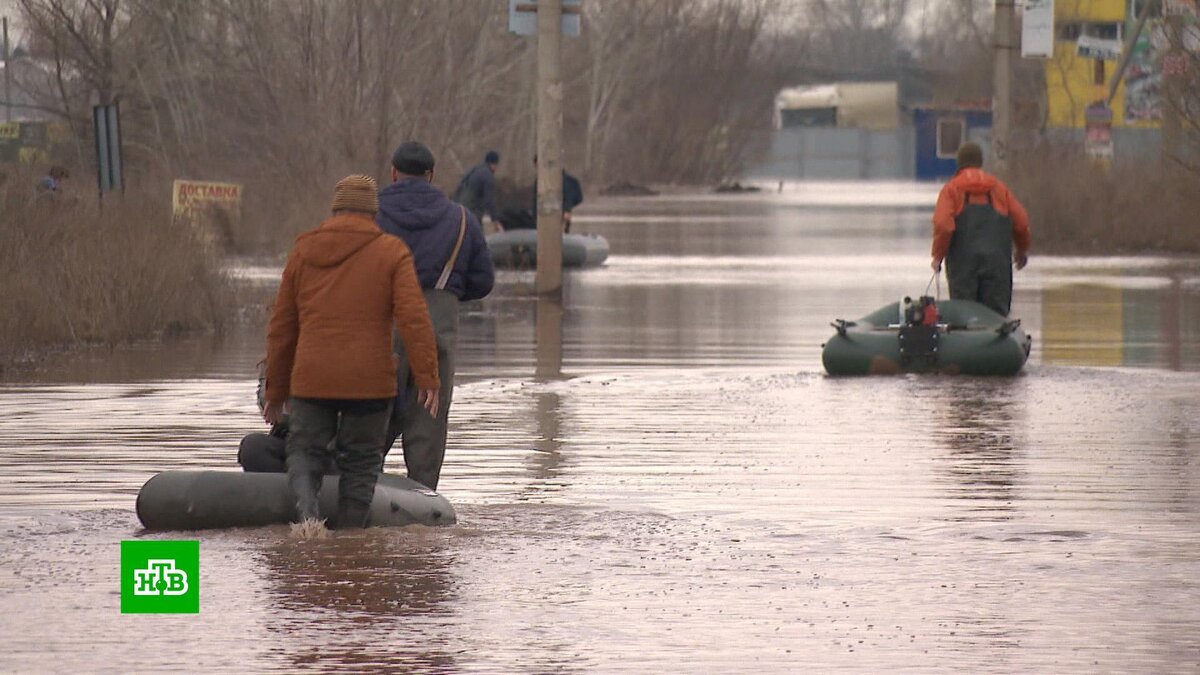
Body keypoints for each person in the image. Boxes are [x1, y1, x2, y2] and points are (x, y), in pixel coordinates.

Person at [263, 174, 441, 529]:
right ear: (373, 213)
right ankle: (352, 540)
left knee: (304, 452)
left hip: (312, 378)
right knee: (360, 463)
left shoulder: (303, 250)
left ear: (335, 209)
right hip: (369, 380)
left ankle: (307, 520)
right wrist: (427, 377)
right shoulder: (391, 252)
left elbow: (282, 327)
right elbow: (414, 318)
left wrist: (275, 391)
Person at [377, 141, 495, 491]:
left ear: (393, 173)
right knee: (428, 419)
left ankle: (358, 500)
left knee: (371, 416)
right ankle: (423, 503)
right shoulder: (462, 219)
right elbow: (483, 281)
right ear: (431, 175)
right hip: (437, 328)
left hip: (379, 326)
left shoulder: (370, 214)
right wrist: (447, 292)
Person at [930, 142, 1031, 317]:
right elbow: (1021, 222)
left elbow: (943, 225)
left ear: (959, 163)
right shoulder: (999, 189)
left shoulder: (951, 190)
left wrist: (938, 256)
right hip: (997, 265)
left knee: (964, 316)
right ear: (980, 162)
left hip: (962, 268)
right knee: (996, 317)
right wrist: (1021, 250)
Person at [499, 155, 584, 233]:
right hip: (544, 216)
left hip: (553, 217)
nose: (538, 169)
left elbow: (568, 195)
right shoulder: (542, 179)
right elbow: (535, 201)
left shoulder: (560, 179)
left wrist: (566, 210)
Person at [452, 150, 501, 228]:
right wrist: (495, 220)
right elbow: (489, 200)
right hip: (472, 212)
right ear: (493, 164)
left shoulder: (473, 170)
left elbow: (459, 188)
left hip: (458, 210)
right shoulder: (487, 176)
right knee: (476, 233)